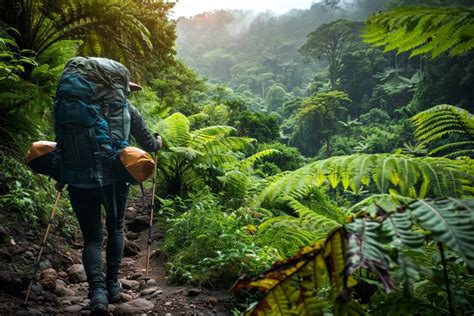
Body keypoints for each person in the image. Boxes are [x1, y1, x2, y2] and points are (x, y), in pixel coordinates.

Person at [56, 57, 162, 314]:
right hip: (116, 176)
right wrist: (158, 142)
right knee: (115, 228)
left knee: (92, 238)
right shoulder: (124, 107)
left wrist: (61, 174)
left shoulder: (72, 106)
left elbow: (60, 141)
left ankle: (97, 294)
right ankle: (113, 285)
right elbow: (148, 142)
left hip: (78, 177)